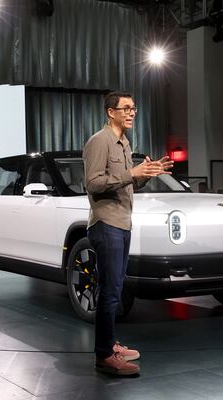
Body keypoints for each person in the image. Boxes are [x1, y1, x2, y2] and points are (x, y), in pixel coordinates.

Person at [83, 91, 173, 376]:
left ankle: (110, 344)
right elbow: (93, 183)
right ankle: (104, 355)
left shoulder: (124, 143)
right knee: (110, 292)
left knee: (116, 290)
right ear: (111, 112)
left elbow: (126, 183)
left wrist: (145, 174)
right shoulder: (99, 141)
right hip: (106, 223)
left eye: (134, 108)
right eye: (126, 108)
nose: (132, 113)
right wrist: (132, 173)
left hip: (123, 223)